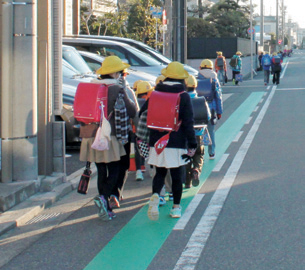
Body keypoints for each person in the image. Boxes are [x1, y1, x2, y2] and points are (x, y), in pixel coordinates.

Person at [79, 55, 137, 221]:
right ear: (114, 74)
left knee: (102, 169)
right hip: (108, 136)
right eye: (119, 72)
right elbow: (131, 110)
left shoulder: (91, 86)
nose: (120, 75)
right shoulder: (115, 89)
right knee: (115, 169)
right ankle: (104, 198)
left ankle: (104, 204)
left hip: (91, 135)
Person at [140, 61, 197, 220]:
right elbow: (188, 122)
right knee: (177, 175)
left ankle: (156, 197)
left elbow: (143, 115)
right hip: (176, 142)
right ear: (182, 79)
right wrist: (192, 143)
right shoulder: (183, 96)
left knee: (160, 172)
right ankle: (176, 208)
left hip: (157, 142)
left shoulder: (155, 94)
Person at [109, 68, 140, 209]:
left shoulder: (99, 88)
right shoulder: (125, 90)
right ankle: (115, 193)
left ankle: (106, 195)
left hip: (100, 136)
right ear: (119, 74)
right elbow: (134, 113)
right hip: (123, 133)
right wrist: (139, 132)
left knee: (106, 166)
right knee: (122, 165)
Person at [184, 75, 211, 188]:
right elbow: (208, 117)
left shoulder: (182, 101)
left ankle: (187, 182)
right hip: (199, 134)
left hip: (185, 135)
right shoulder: (201, 100)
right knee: (199, 155)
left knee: (186, 157)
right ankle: (196, 170)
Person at [199, 59, 223, 160]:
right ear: (211, 67)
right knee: (211, 131)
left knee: (198, 130)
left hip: (199, 108)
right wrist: (219, 111)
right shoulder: (214, 79)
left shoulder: (196, 78)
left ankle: (199, 152)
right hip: (211, 109)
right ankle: (211, 152)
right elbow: (218, 96)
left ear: (200, 68)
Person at [134, 81, 154, 181]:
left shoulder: (135, 101)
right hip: (148, 131)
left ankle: (139, 170)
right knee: (150, 149)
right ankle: (151, 169)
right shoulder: (150, 101)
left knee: (138, 150)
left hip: (136, 130)